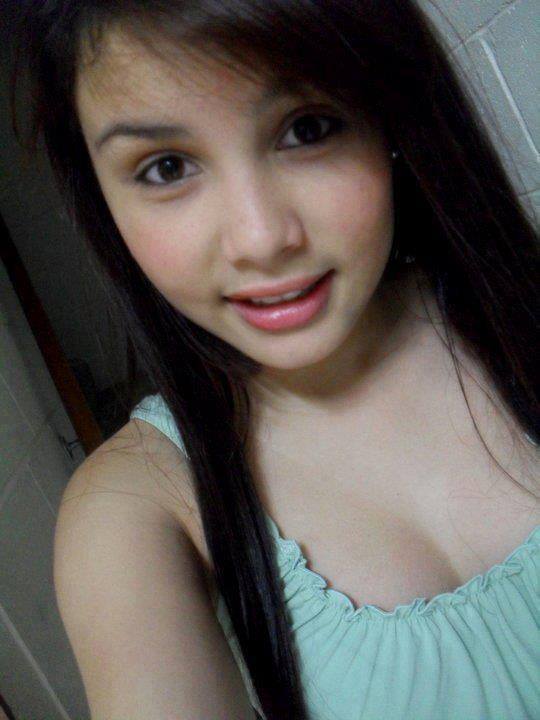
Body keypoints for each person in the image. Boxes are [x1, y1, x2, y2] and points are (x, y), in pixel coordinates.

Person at [12, 1, 539, 718]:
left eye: (308, 128)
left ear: (388, 119)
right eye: (166, 168)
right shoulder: (135, 511)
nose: (260, 239)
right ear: (103, 201)